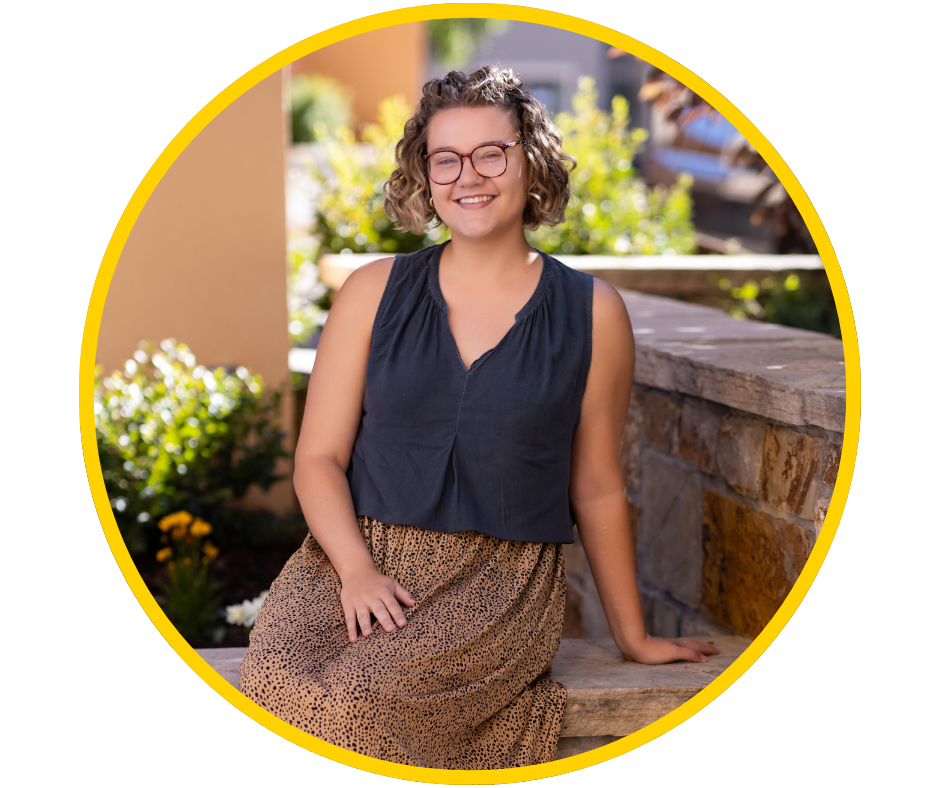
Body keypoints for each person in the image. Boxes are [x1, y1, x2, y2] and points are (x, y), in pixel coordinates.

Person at [239, 66, 718, 769]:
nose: (470, 175)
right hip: (351, 563)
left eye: (492, 152)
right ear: (425, 177)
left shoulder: (593, 314)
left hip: (497, 583)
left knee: (354, 703)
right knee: (277, 682)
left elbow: (597, 487)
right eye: (446, 158)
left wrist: (633, 634)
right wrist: (356, 571)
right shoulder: (372, 294)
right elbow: (317, 459)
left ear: (532, 161)